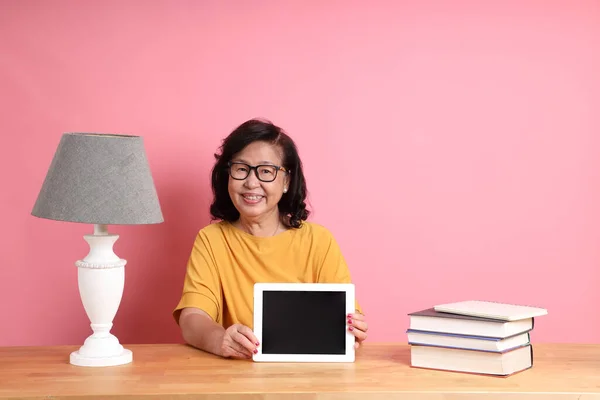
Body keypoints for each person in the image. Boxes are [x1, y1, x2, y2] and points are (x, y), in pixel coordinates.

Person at [173, 118, 368, 359]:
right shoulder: (212, 240)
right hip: (237, 377)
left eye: (266, 171)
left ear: (286, 181)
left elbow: (346, 317)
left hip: (310, 379)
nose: (251, 183)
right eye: (241, 169)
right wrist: (220, 340)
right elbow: (192, 318)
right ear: (228, 175)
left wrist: (353, 329)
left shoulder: (318, 241)